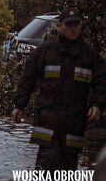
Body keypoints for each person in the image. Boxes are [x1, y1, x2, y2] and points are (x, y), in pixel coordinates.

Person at [12, 9, 106, 170]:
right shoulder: (45, 52)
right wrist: (19, 105)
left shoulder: (89, 55)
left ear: (81, 25)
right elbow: (28, 78)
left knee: (68, 171)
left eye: (76, 24)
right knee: (46, 166)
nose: (73, 28)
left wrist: (97, 104)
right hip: (48, 121)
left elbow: (103, 79)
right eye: (69, 24)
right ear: (60, 26)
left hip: (74, 122)